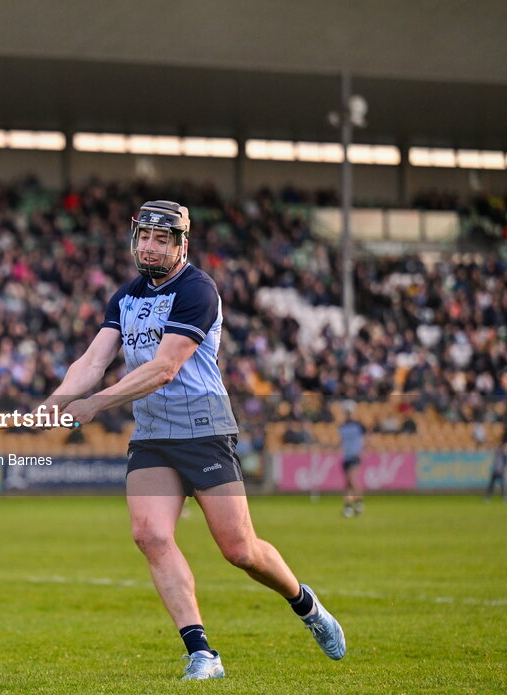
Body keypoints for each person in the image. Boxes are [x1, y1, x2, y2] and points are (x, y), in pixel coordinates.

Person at [41, 200, 345, 680]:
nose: (150, 247)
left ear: (182, 244)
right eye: (144, 237)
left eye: (161, 240)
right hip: (153, 433)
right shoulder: (124, 297)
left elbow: (164, 368)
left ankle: (305, 604)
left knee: (239, 550)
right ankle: (202, 653)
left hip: (203, 429)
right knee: (150, 535)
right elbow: (93, 360)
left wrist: (95, 404)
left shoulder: (198, 290)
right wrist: (55, 401)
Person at [337, 404, 368, 517]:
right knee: (347, 483)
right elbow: (341, 441)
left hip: (354, 455)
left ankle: (359, 503)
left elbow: (365, 438)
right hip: (346, 456)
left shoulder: (358, 426)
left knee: (352, 479)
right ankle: (349, 506)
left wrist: (363, 450)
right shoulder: (342, 427)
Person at [484, 425, 507, 502]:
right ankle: (489, 496)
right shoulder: (499, 450)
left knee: (499, 483)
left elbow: (504, 460)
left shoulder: (503, 451)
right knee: (495, 483)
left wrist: (503, 467)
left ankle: (502, 496)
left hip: (499, 469)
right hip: (496, 468)